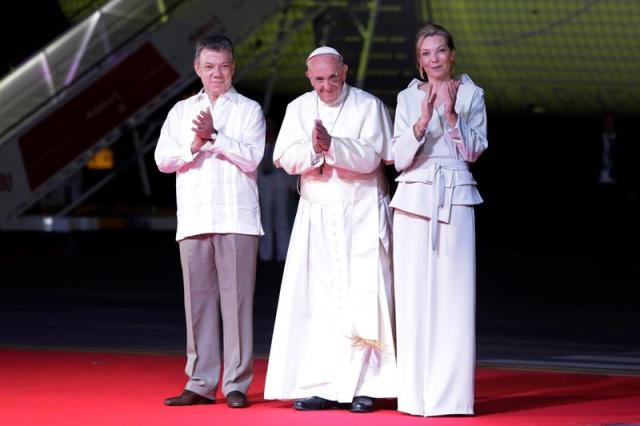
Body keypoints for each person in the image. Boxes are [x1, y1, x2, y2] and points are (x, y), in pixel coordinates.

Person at [263, 46, 397, 413]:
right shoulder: (298, 108)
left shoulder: (368, 106)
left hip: (362, 212)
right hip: (318, 214)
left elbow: (374, 158)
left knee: (364, 300)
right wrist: (315, 150)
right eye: (319, 79)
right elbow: (283, 159)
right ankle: (321, 384)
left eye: (333, 78)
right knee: (318, 302)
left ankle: (366, 386)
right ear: (309, 77)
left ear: (345, 72)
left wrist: (333, 146)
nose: (326, 87)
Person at [154, 34, 265, 409]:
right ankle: (200, 381)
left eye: (223, 66)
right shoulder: (181, 111)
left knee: (237, 304)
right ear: (197, 69)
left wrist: (215, 136)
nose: (217, 73)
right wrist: (195, 144)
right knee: (198, 304)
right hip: (196, 216)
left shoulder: (248, 109)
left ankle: (235, 382)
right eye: (209, 67)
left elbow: (252, 158)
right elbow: (163, 160)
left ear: (233, 67)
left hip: (236, 216)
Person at [390, 24, 488, 417]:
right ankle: (413, 397)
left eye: (441, 51)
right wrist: (423, 118)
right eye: (426, 53)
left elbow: (475, 150)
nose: (434, 59)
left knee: (454, 298)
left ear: (452, 54)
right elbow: (398, 157)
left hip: (456, 198)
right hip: (414, 197)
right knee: (412, 299)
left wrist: (449, 116)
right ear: (419, 60)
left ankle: (450, 397)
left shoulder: (473, 94)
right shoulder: (405, 97)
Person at [257, 116, 295, 264]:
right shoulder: (258, 143)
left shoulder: (281, 142)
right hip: (264, 183)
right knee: (265, 219)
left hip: (279, 182)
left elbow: (288, 162)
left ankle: (283, 254)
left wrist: (291, 184)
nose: (268, 129)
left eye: (270, 125)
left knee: (281, 218)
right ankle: (265, 254)